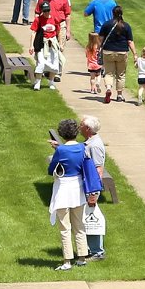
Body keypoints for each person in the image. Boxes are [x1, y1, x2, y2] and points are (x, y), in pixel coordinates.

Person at [46, 118, 102, 271]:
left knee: (65, 227)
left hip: (63, 189)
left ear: (62, 133)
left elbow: (51, 169)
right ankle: (82, 257)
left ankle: (67, 261)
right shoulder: (82, 147)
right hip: (78, 190)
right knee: (79, 225)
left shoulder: (61, 150)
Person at [99, 6, 134, 101]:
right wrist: (135, 54)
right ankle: (119, 95)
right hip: (122, 52)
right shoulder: (126, 26)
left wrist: (99, 48)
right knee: (121, 74)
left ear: (112, 13)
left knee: (109, 73)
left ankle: (108, 88)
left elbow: (101, 39)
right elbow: (130, 41)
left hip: (108, 51)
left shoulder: (106, 24)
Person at [80, 114, 114, 207]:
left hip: (90, 188)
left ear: (87, 129)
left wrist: (93, 194)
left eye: (81, 125)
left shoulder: (94, 146)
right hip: (86, 184)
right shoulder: (89, 141)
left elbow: (98, 169)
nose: (79, 127)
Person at [32, 26, 64, 90]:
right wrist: (31, 46)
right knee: (41, 63)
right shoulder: (39, 19)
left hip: (52, 44)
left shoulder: (55, 18)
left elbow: (59, 31)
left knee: (54, 64)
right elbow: (33, 32)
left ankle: (51, 82)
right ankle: (38, 82)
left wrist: (60, 44)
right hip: (41, 43)